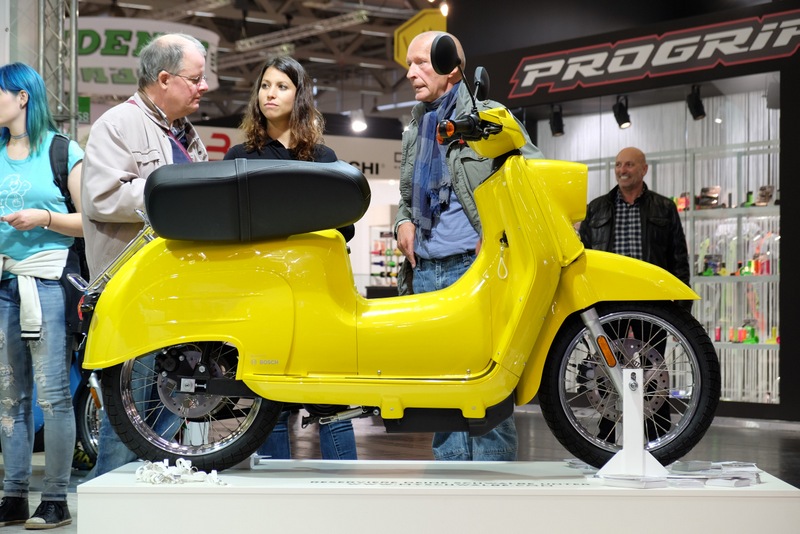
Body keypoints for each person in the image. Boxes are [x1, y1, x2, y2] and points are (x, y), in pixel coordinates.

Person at [394, 31, 544, 462]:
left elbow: (532, 172)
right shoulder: (416, 127)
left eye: (421, 62)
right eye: (409, 64)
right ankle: (451, 482)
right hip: (425, 271)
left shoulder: (489, 116)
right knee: (442, 387)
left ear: (451, 67)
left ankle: (494, 487)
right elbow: (406, 196)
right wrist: (403, 221)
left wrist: (499, 230)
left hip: (476, 270)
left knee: (487, 385)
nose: (411, 73)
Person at [81, 33, 209, 477]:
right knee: (128, 419)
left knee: (168, 416)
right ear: (164, 79)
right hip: (133, 294)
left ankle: (151, 501)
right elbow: (102, 197)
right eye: (195, 78)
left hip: (178, 294)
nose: (203, 86)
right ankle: (110, 502)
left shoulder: (184, 133)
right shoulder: (117, 124)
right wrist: (175, 192)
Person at [223, 56, 357, 460]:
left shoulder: (323, 158)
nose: (270, 94)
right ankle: (273, 491)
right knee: (270, 406)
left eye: (282, 86)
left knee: (332, 401)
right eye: (265, 86)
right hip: (262, 295)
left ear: (299, 96)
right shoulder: (239, 157)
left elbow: (344, 227)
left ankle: (347, 490)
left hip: (316, 295)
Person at [0, 62, 83, 529]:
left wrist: (45, 218)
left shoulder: (62, 150)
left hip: (48, 282)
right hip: (3, 284)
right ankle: (13, 494)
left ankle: (54, 498)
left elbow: (88, 221)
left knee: (52, 396)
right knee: (9, 396)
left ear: (22, 97)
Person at [578, 146, 690, 441]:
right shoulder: (596, 208)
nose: (622, 170)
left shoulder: (664, 208)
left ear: (643, 169)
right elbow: (583, 260)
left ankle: (658, 438)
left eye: (629, 165)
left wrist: (682, 314)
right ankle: (605, 437)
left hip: (652, 303)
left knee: (654, 370)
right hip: (607, 304)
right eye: (618, 165)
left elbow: (679, 259)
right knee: (607, 370)